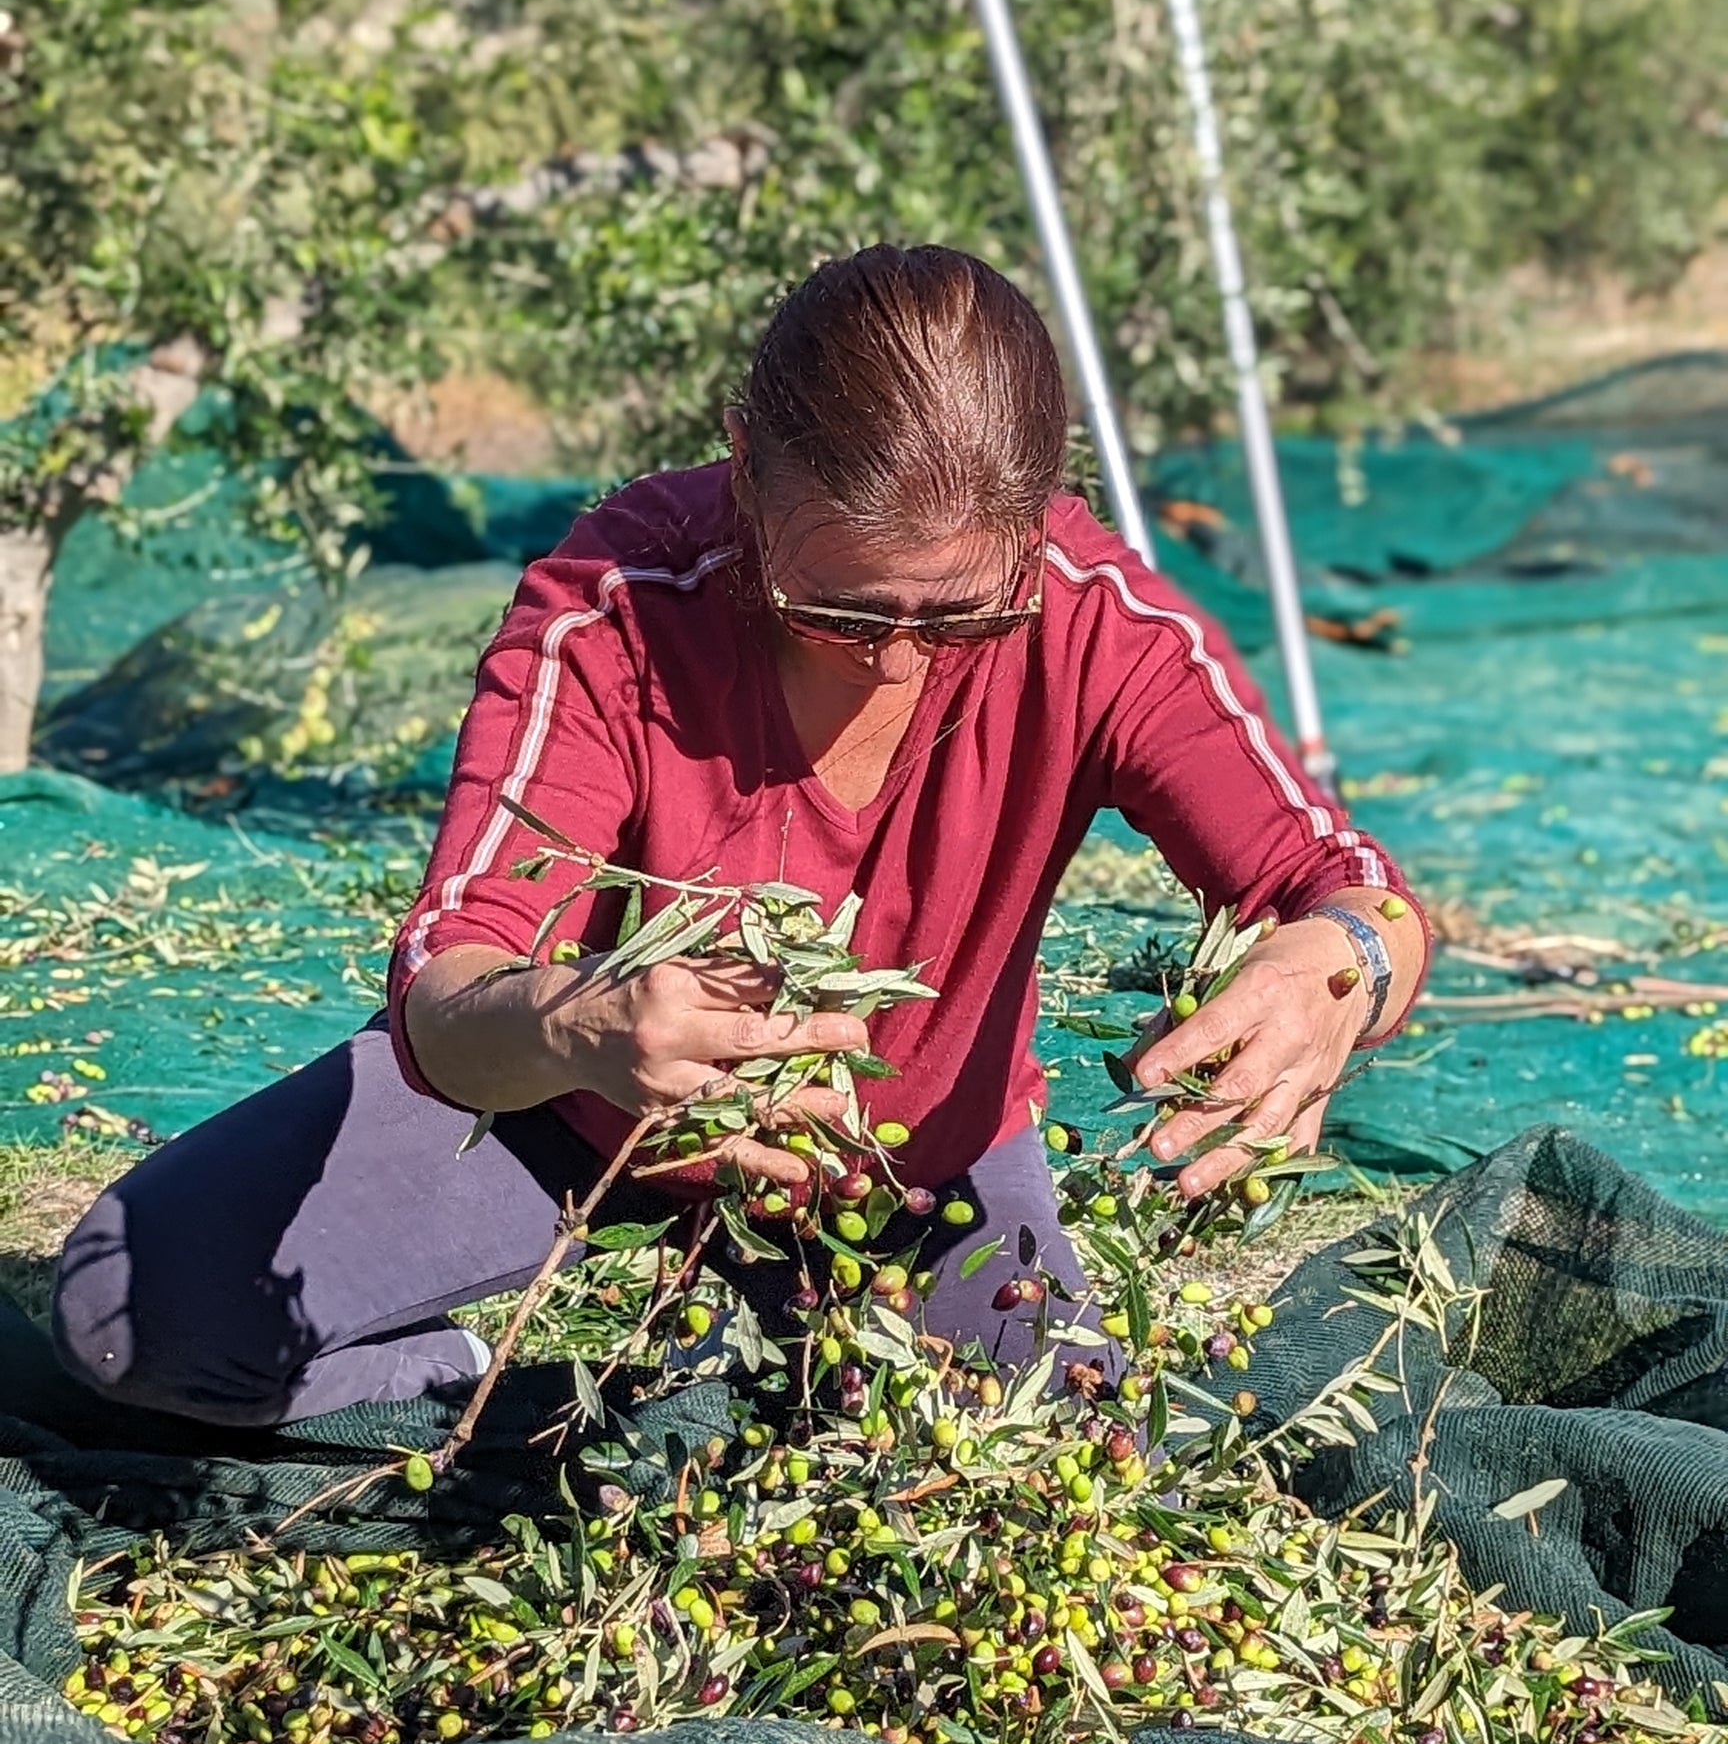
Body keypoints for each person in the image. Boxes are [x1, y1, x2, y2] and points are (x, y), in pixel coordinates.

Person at [53, 245, 1428, 1427]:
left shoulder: (1091, 615)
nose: (899, 666)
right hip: (567, 1112)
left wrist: (1333, 975)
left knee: (1038, 1457)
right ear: (750, 481)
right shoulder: (616, 605)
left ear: (1034, 530)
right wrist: (582, 1025)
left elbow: (1349, 889)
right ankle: (484, 1383)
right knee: (137, 1314)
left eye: (957, 618)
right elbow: (448, 985)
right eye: (841, 610)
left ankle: (776, 1365)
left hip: (910, 1164)